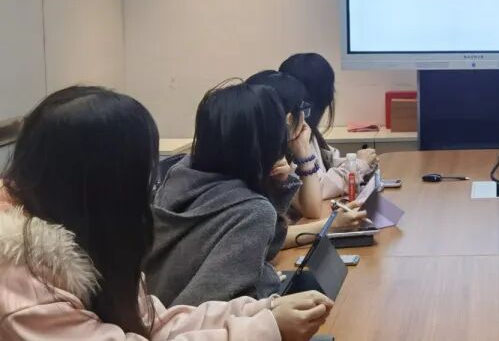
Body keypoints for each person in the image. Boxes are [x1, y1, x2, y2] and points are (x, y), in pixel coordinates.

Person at [0, 86, 332, 340]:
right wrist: (264, 328)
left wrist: (264, 309)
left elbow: (155, 323)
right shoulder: (23, 287)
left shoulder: (77, 240)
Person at [146, 81, 304, 306]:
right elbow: (203, 304)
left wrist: (273, 187)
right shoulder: (253, 212)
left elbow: (263, 249)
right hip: (189, 321)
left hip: (153, 312)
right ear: (271, 141)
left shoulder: (180, 174)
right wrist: (267, 296)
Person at [246, 70, 367, 248]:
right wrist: (331, 225)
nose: (305, 118)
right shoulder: (258, 159)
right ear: (289, 119)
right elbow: (267, 239)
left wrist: (303, 150)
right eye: (303, 110)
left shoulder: (277, 154)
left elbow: (311, 210)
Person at [278, 53, 375, 201]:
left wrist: (358, 162)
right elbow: (315, 189)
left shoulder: (306, 129)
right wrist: (359, 165)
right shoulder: (288, 138)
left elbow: (327, 161)